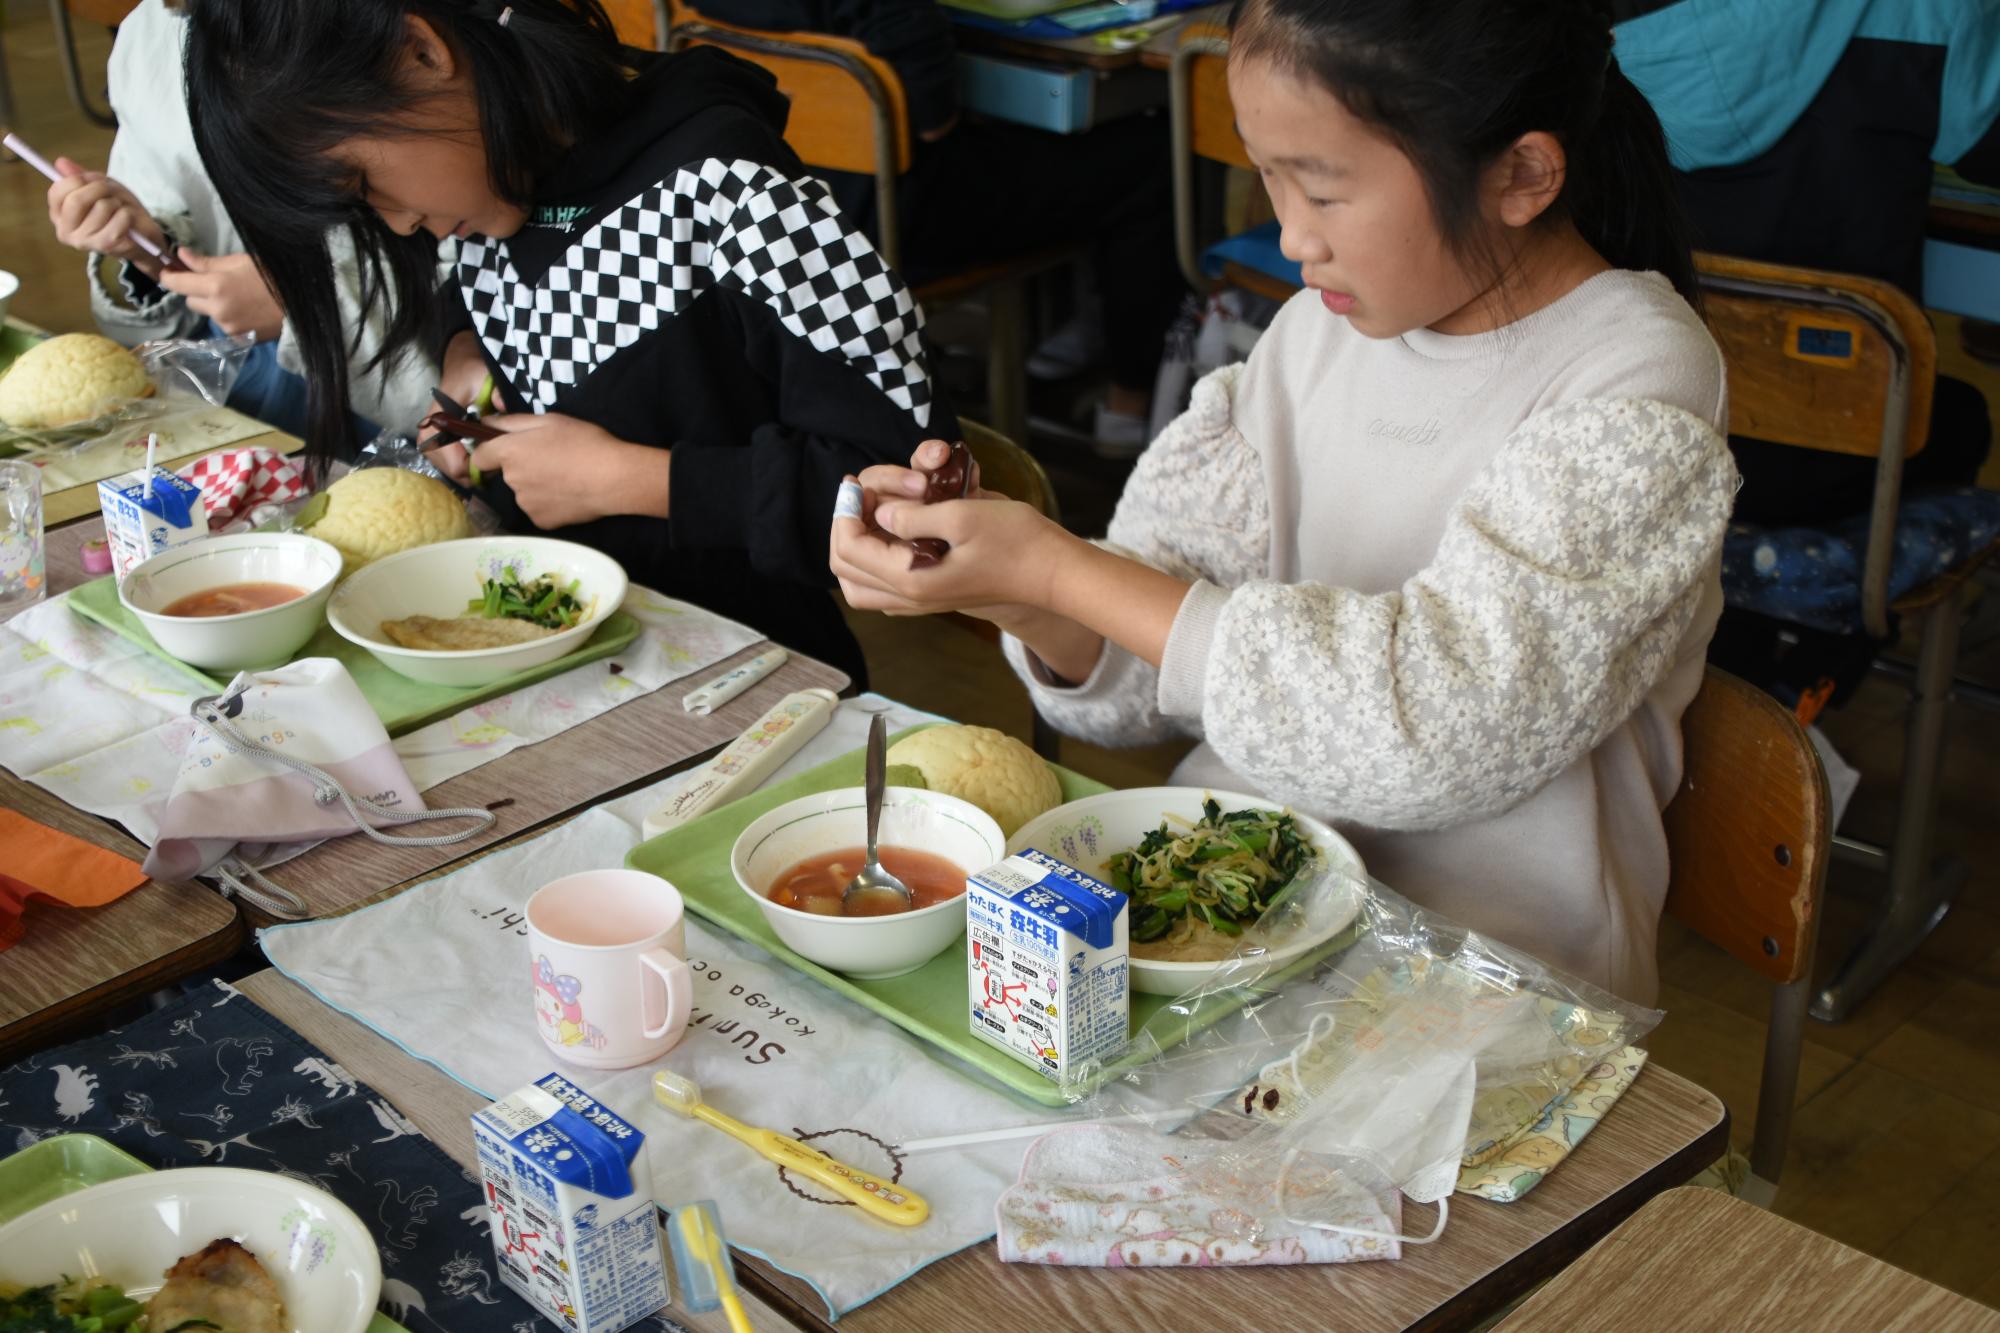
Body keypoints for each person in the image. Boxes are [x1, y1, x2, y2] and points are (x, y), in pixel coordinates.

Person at [831, 0, 1738, 1003]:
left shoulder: (1635, 381)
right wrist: (1016, 587)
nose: (1290, 236)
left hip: (1484, 981)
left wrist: (1059, 568)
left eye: (1324, 190)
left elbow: (1434, 734)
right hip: (1235, 926)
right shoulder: (1317, 331)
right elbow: (1152, 670)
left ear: (1520, 174)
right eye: (1268, 174)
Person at [181, 0, 949, 683]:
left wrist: (636, 481)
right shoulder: (499, 179)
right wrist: (463, 352)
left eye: (362, 185)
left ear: (422, 52)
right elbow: (475, 288)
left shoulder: (731, 194)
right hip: (562, 663)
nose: (398, 222)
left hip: (752, 678)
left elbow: (917, 505)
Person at [1613, 0, 2000, 706]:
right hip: (1839, 471)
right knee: (1959, 416)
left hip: (1646, 453)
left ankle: (1736, 657)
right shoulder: (1929, 12)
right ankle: (1818, 652)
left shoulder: (1571, 31)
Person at [695, 0, 1185, 455]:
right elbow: (933, 116)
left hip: (767, 218)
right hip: (877, 224)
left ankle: (1077, 337)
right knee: (1148, 159)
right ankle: (1128, 405)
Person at [44, 0, 434, 445]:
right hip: (246, 400)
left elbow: (464, 286)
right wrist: (147, 250)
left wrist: (305, 304)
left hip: (395, 394)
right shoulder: (149, 36)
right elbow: (170, 330)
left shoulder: (380, 30)